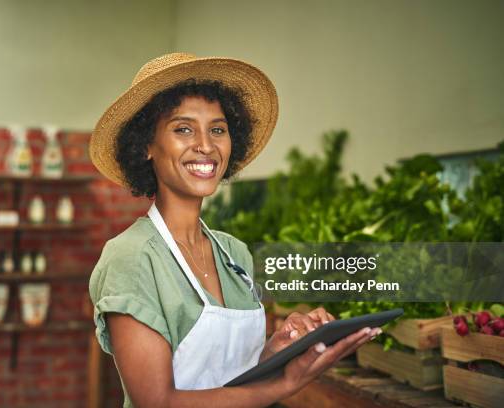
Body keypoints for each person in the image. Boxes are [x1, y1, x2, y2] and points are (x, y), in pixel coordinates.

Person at [88, 53, 381, 408]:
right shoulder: (131, 258)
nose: (206, 145)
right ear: (147, 146)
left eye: (217, 129)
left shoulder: (234, 254)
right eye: (183, 129)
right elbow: (157, 401)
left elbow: (234, 379)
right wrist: (284, 385)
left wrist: (283, 347)